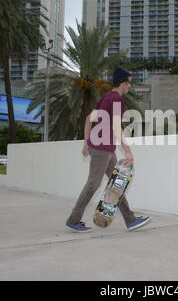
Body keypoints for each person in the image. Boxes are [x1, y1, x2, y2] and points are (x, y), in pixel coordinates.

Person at [66, 67, 152, 233]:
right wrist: (128, 151)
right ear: (122, 82)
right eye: (128, 83)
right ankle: (73, 219)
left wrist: (86, 142)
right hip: (102, 148)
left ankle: (130, 219)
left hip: (103, 147)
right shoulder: (117, 100)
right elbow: (116, 126)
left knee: (116, 183)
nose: (129, 87)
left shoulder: (106, 97)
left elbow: (88, 119)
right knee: (93, 184)